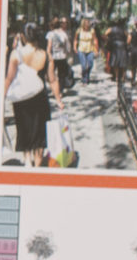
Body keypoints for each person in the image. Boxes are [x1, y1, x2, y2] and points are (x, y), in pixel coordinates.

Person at [6, 22, 63, 167]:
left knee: (24, 128)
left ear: (23, 37)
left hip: (21, 99)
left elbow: (9, 78)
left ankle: (27, 160)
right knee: (39, 133)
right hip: (40, 99)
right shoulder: (46, 55)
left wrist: (1, 96)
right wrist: (58, 100)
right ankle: (37, 166)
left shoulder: (16, 54)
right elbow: (52, 80)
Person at [46, 17, 74, 92]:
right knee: (61, 75)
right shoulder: (64, 34)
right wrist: (69, 54)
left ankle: (55, 88)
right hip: (63, 57)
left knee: (50, 74)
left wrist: (49, 55)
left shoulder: (50, 34)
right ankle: (60, 91)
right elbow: (68, 47)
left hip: (53, 57)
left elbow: (49, 47)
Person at [75, 16, 99, 83]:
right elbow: (75, 40)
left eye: (88, 23)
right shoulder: (79, 30)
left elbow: (95, 40)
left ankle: (86, 75)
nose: (87, 24)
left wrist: (96, 49)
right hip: (81, 49)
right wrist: (74, 47)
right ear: (83, 24)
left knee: (90, 64)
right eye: (85, 23)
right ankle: (85, 79)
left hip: (90, 49)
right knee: (84, 65)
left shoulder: (92, 30)